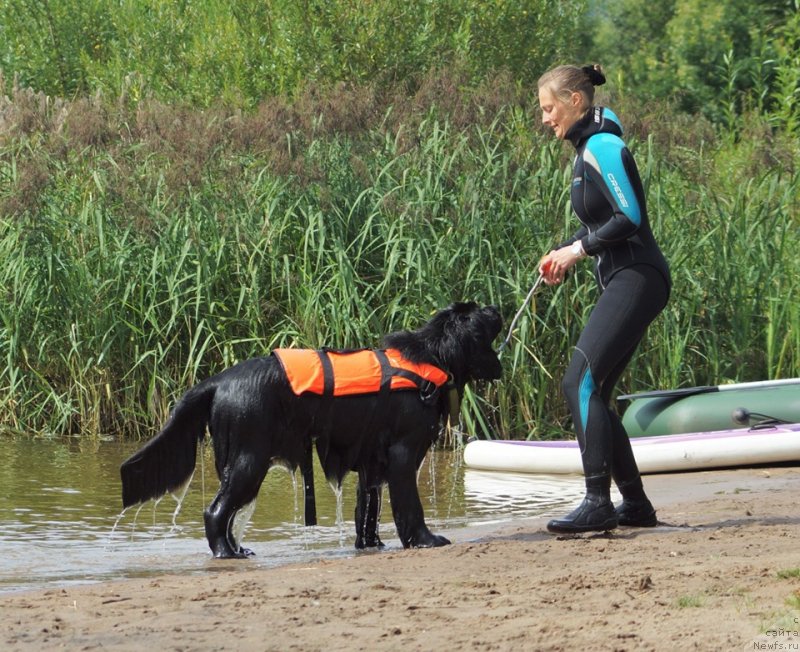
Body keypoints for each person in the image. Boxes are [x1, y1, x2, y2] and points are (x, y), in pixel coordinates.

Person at [537, 64, 671, 533]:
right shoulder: (587, 150)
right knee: (597, 390)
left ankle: (597, 501)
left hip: (638, 276)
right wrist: (564, 250)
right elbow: (600, 223)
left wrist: (577, 251)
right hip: (626, 278)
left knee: (580, 381)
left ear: (576, 100)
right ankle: (633, 505)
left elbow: (629, 216)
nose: (545, 118)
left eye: (550, 108)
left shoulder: (604, 146)